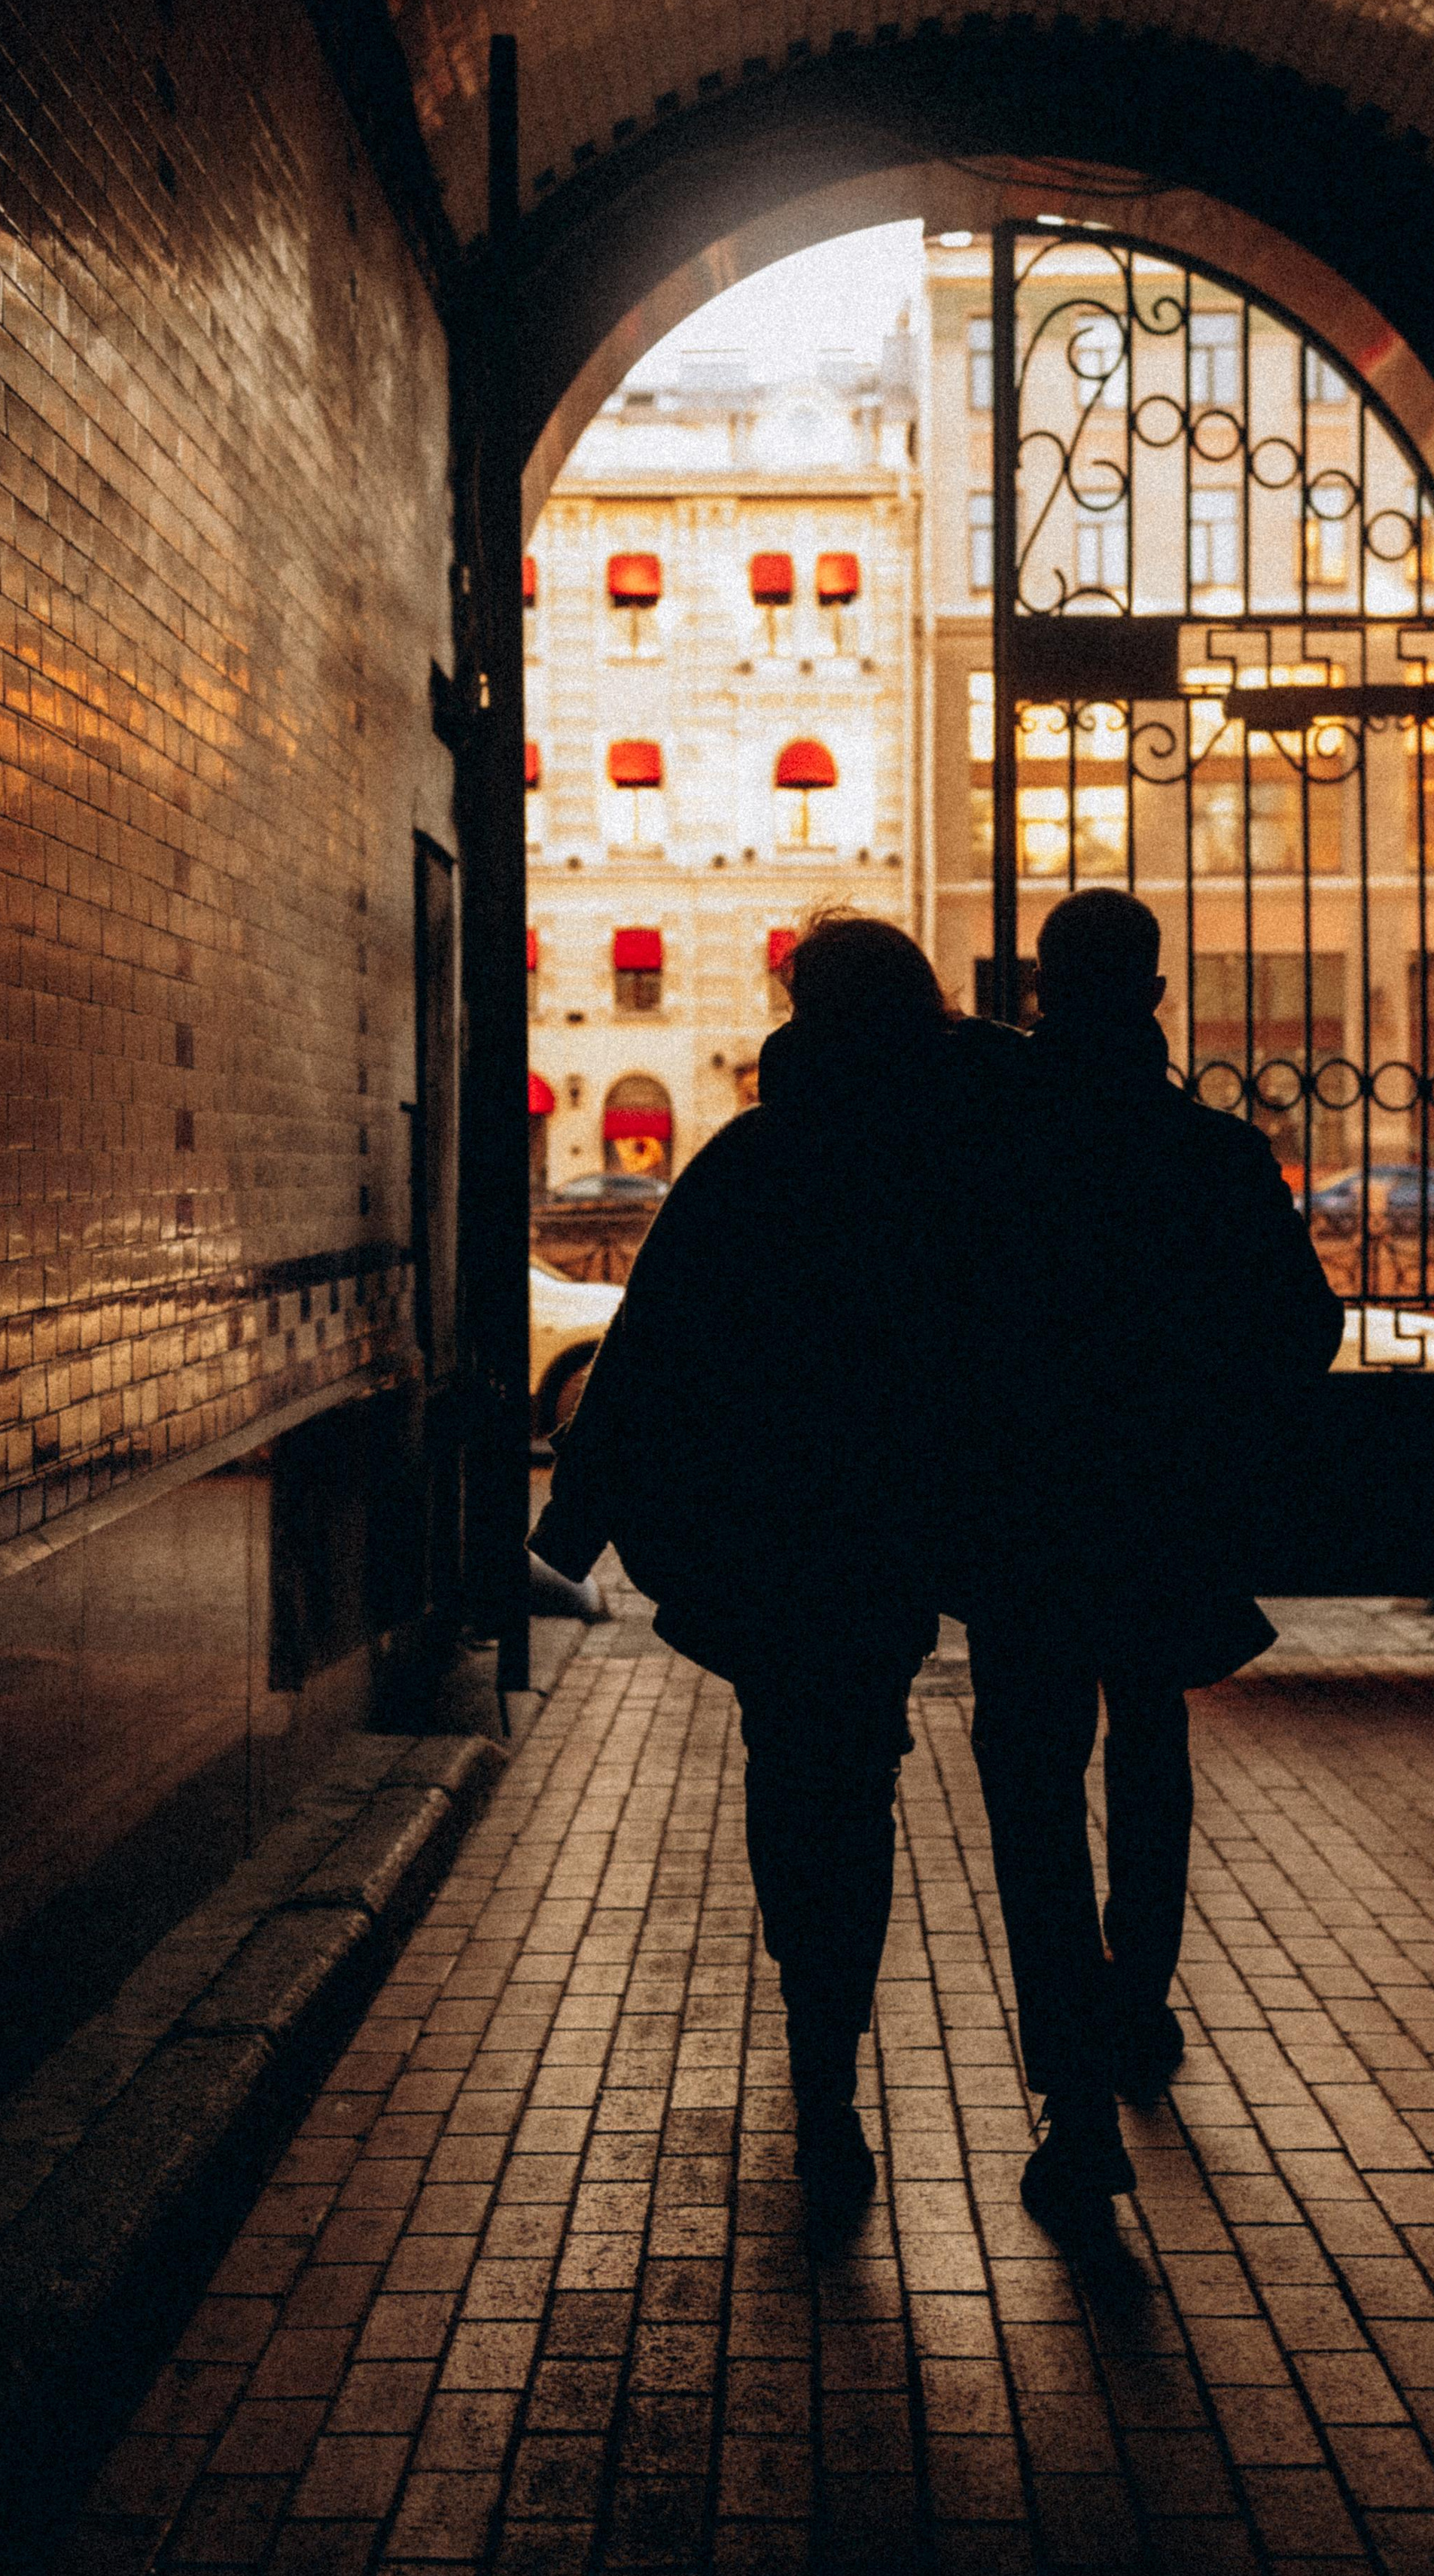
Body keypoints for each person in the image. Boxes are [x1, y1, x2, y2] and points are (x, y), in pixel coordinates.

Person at [530, 915, 1021, 2246]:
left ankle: (815, 2048)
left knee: (791, 1766)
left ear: (801, 1017)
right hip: (896, 1533)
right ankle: (832, 2045)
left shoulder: (755, 1156)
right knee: (858, 1780)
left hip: (766, 1533)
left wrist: (570, 1530)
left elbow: (648, 1349)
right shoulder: (958, 1155)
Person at [951, 889, 1344, 2229]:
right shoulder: (1216, 1157)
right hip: (1161, 1512)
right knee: (1150, 1742)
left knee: (1031, 1788)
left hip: (1020, 1522)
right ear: (1161, 997)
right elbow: (1304, 1329)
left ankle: (1070, 2096)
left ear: (1043, 989)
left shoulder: (989, 1149)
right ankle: (1139, 1995)